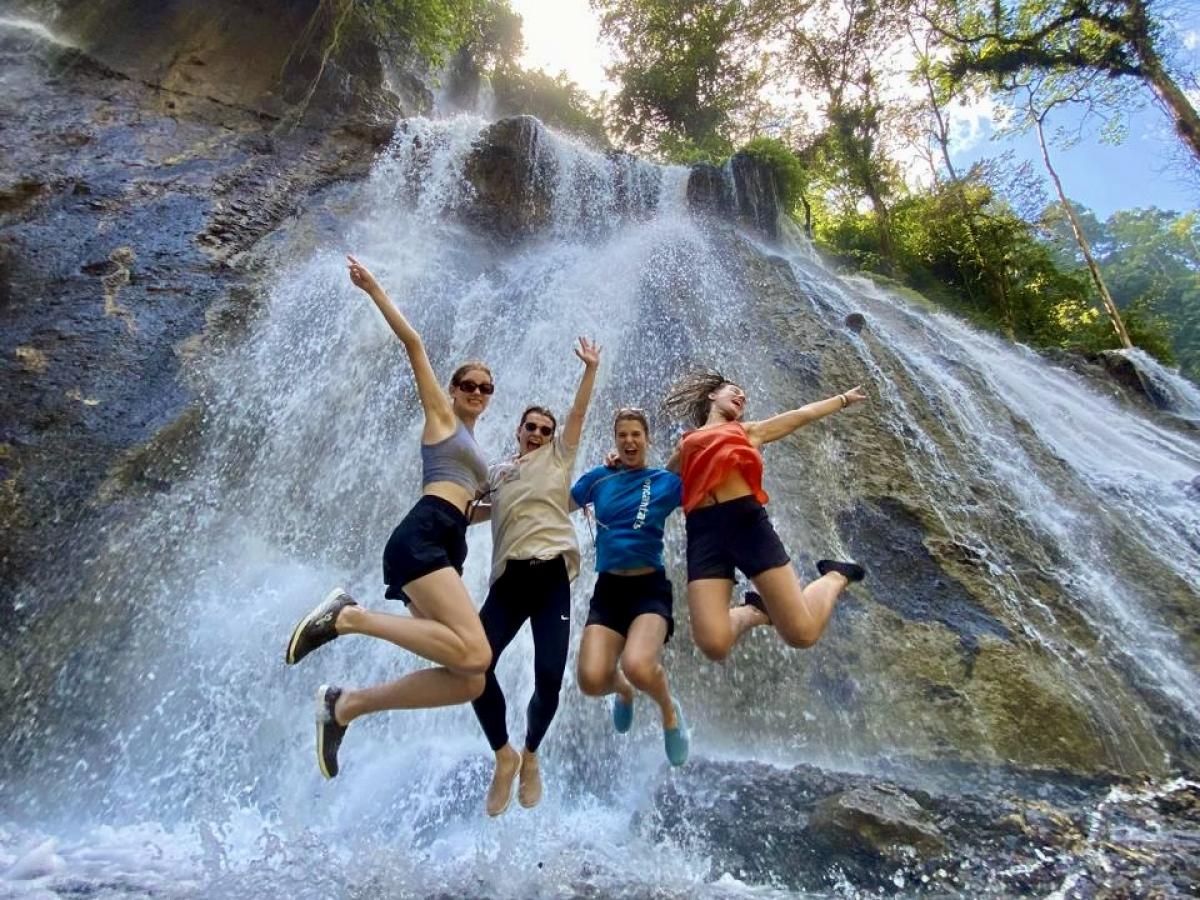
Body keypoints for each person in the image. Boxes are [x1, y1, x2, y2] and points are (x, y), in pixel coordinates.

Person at [284, 254, 493, 779]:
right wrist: (375, 289)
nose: (476, 392)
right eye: (468, 383)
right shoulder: (442, 418)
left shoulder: (472, 443)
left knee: (469, 678)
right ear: (453, 389)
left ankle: (345, 706)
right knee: (477, 651)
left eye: (485, 387)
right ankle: (348, 616)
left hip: (446, 539)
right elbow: (415, 345)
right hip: (422, 534)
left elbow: (469, 509)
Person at [470, 337, 601, 817]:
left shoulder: (559, 458)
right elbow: (475, 510)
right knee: (473, 665)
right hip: (507, 582)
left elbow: (579, 415)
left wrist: (590, 369)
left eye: (545, 430)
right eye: (532, 427)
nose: (539, 434)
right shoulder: (499, 472)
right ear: (519, 429)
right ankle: (502, 754)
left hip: (550, 579)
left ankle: (530, 755)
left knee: (549, 675)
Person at [662, 369, 868, 662]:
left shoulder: (748, 431)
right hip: (703, 533)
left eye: (744, 396)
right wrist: (618, 468)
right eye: (733, 390)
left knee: (802, 634)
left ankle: (835, 576)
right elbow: (654, 484)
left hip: (746, 524)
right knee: (714, 644)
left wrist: (843, 399)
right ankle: (754, 611)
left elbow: (802, 415)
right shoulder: (686, 444)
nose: (741, 396)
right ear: (712, 395)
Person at [571, 408, 689, 767]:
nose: (629, 441)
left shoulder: (665, 483)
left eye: (636, 434)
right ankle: (622, 691)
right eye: (622, 434)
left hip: (648, 589)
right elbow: (554, 506)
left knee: (639, 664)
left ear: (647, 438)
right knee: (591, 681)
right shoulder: (597, 480)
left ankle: (670, 712)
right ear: (615, 439)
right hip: (608, 590)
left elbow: (696, 470)